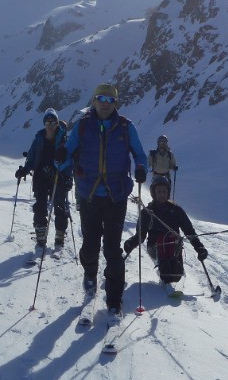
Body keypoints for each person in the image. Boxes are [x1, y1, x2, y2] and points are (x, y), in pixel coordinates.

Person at [56, 83, 147, 314]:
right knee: (90, 243)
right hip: (89, 194)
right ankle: (90, 273)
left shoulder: (126, 127)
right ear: (93, 101)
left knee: (112, 248)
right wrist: (61, 160)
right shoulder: (84, 126)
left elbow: (139, 153)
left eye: (110, 100)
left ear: (116, 103)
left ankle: (114, 298)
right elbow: (69, 150)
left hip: (116, 195)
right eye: (101, 99)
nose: (105, 104)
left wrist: (141, 167)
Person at [123, 175, 208, 288]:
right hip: (155, 247)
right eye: (159, 191)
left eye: (164, 191)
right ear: (154, 193)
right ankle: (165, 274)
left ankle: (174, 273)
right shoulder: (147, 212)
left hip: (173, 247)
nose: (161, 194)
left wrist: (199, 247)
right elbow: (140, 235)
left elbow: (189, 231)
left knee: (172, 245)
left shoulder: (176, 210)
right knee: (164, 241)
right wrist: (131, 243)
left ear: (168, 192)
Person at [16, 108, 72, 250]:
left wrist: (68, 178)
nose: (50, 125)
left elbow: (70, 160)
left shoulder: (64, 139)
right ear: (44, 123)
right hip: (41, 176)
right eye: (48, 122)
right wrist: (25, 170)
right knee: (40, 206)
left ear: (57, 123)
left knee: (60, 207)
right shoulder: (39, 138)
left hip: (58, 176)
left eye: (53, 122)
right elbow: (32, 157)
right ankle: (41, 237)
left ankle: (59, 237)